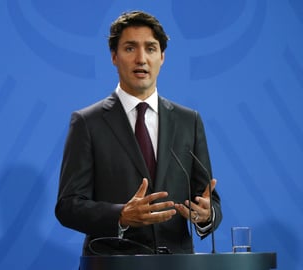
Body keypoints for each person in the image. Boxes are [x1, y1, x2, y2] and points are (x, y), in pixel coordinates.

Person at [55, 10, 222, 256]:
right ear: (114, 56)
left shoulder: (189, 121)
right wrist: (121, 215)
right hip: (113, 262)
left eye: (151, 49)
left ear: (162, 57)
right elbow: (68, 206)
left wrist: (206, 215)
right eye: (130, 48)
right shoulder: (87, 122)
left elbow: (208, 199)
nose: (141, 59)